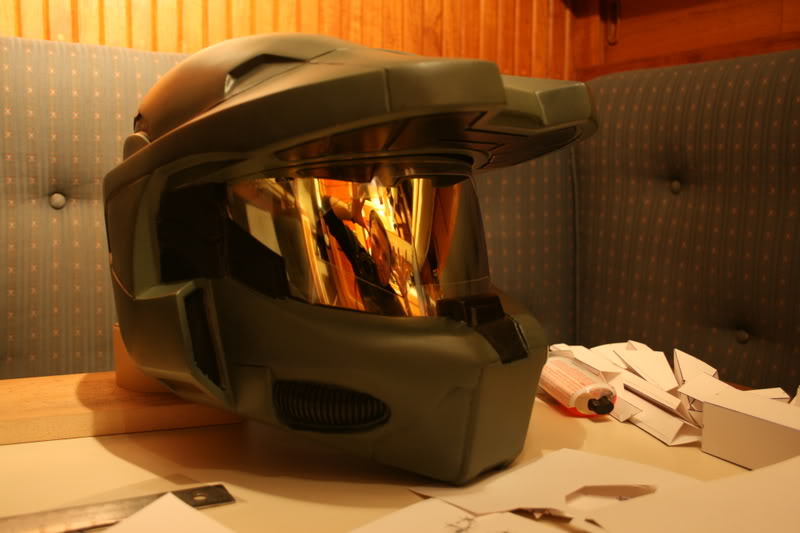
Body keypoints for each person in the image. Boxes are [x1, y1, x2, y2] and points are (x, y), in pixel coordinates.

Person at [322, 196, 406, 316]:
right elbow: (326, 206)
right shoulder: (364, 262)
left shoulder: (393, 299)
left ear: (391, 265)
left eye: (386, 256)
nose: (380, 258)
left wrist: (404, 296)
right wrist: (352, 214)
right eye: (376, 242)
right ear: (370, 240)